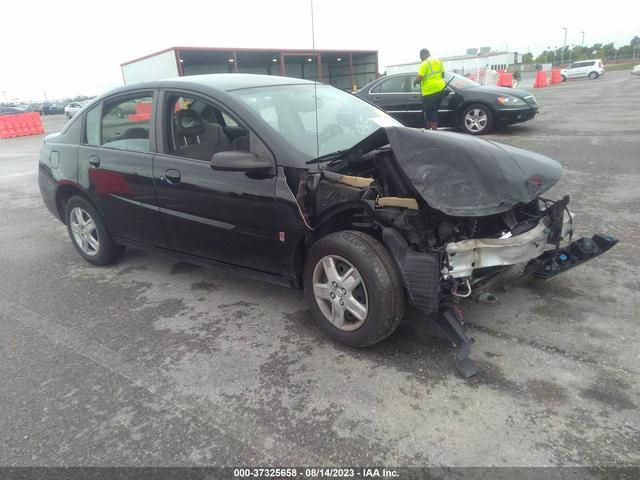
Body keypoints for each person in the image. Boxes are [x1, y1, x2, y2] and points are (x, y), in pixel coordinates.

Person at [414, 48, 446, 130]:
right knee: (432, 111)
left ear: (422, 55)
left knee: (431, 112)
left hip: (429, 92)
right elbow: (443, 75)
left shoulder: (425, 63)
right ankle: (428, 130)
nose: (421, 59)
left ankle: (434, 132)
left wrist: (415, 82)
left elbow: (419, 77)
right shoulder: (439, 61)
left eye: (420, 57)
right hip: (440, 90)